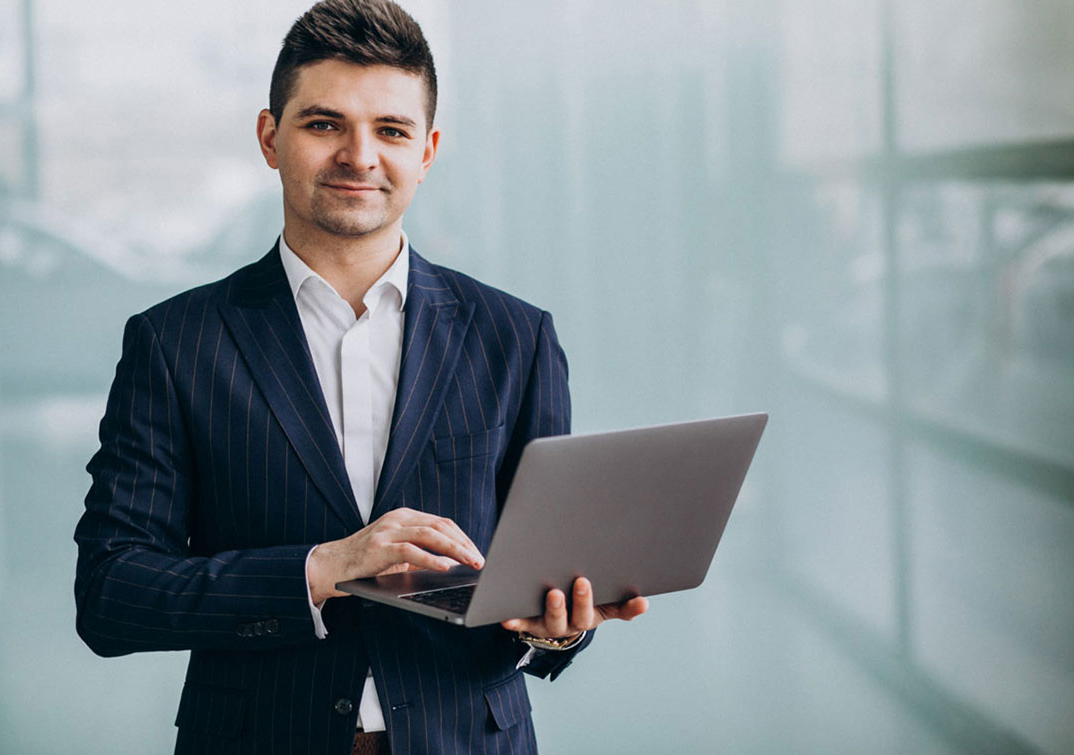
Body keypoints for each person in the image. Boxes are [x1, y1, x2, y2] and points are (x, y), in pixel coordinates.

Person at [73, 1, 647, 753]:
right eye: (323, 124)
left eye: (392, 130)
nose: (359, 155)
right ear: (269, 138)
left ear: (429, 151)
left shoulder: (516, 335)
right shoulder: (175, 343)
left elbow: (540, 578)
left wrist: (560, 632)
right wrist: (325, 568)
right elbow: (113, 594)